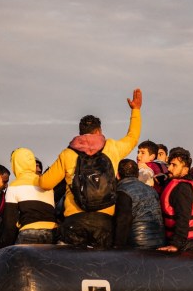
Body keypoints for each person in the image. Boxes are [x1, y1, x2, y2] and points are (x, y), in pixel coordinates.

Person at [38, 88, 143, 249]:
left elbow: (45, 183)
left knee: (72, 271)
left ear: (80, 133)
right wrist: (135, 111)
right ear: (99, 131)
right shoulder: (111, 147)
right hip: (104, 222)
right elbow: (132, 137)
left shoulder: (68, 153)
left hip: (74, 222)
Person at [0, 148, 58, 247]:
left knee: (18, 262)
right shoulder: (46, 183)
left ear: (15, 164)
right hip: (53, 233)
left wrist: (5, 247)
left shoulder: (14, 186)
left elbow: (9, 223)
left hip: (30, 233)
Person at [113, 159, 166, 249]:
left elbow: (123, 221)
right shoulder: (152, 190)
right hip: (159, 242)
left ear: (118, 175)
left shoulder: (122, 191)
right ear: (137, 175)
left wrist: (117, 246)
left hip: (137, 244)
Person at [158, 148, 193, 252]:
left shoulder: (182, 188)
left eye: (174, 165)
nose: (169, 168)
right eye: (169, 164)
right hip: (185, 242)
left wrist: (175, 245)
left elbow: (183, 218)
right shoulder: (176, 184)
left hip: (186, 244)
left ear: (185, 169)